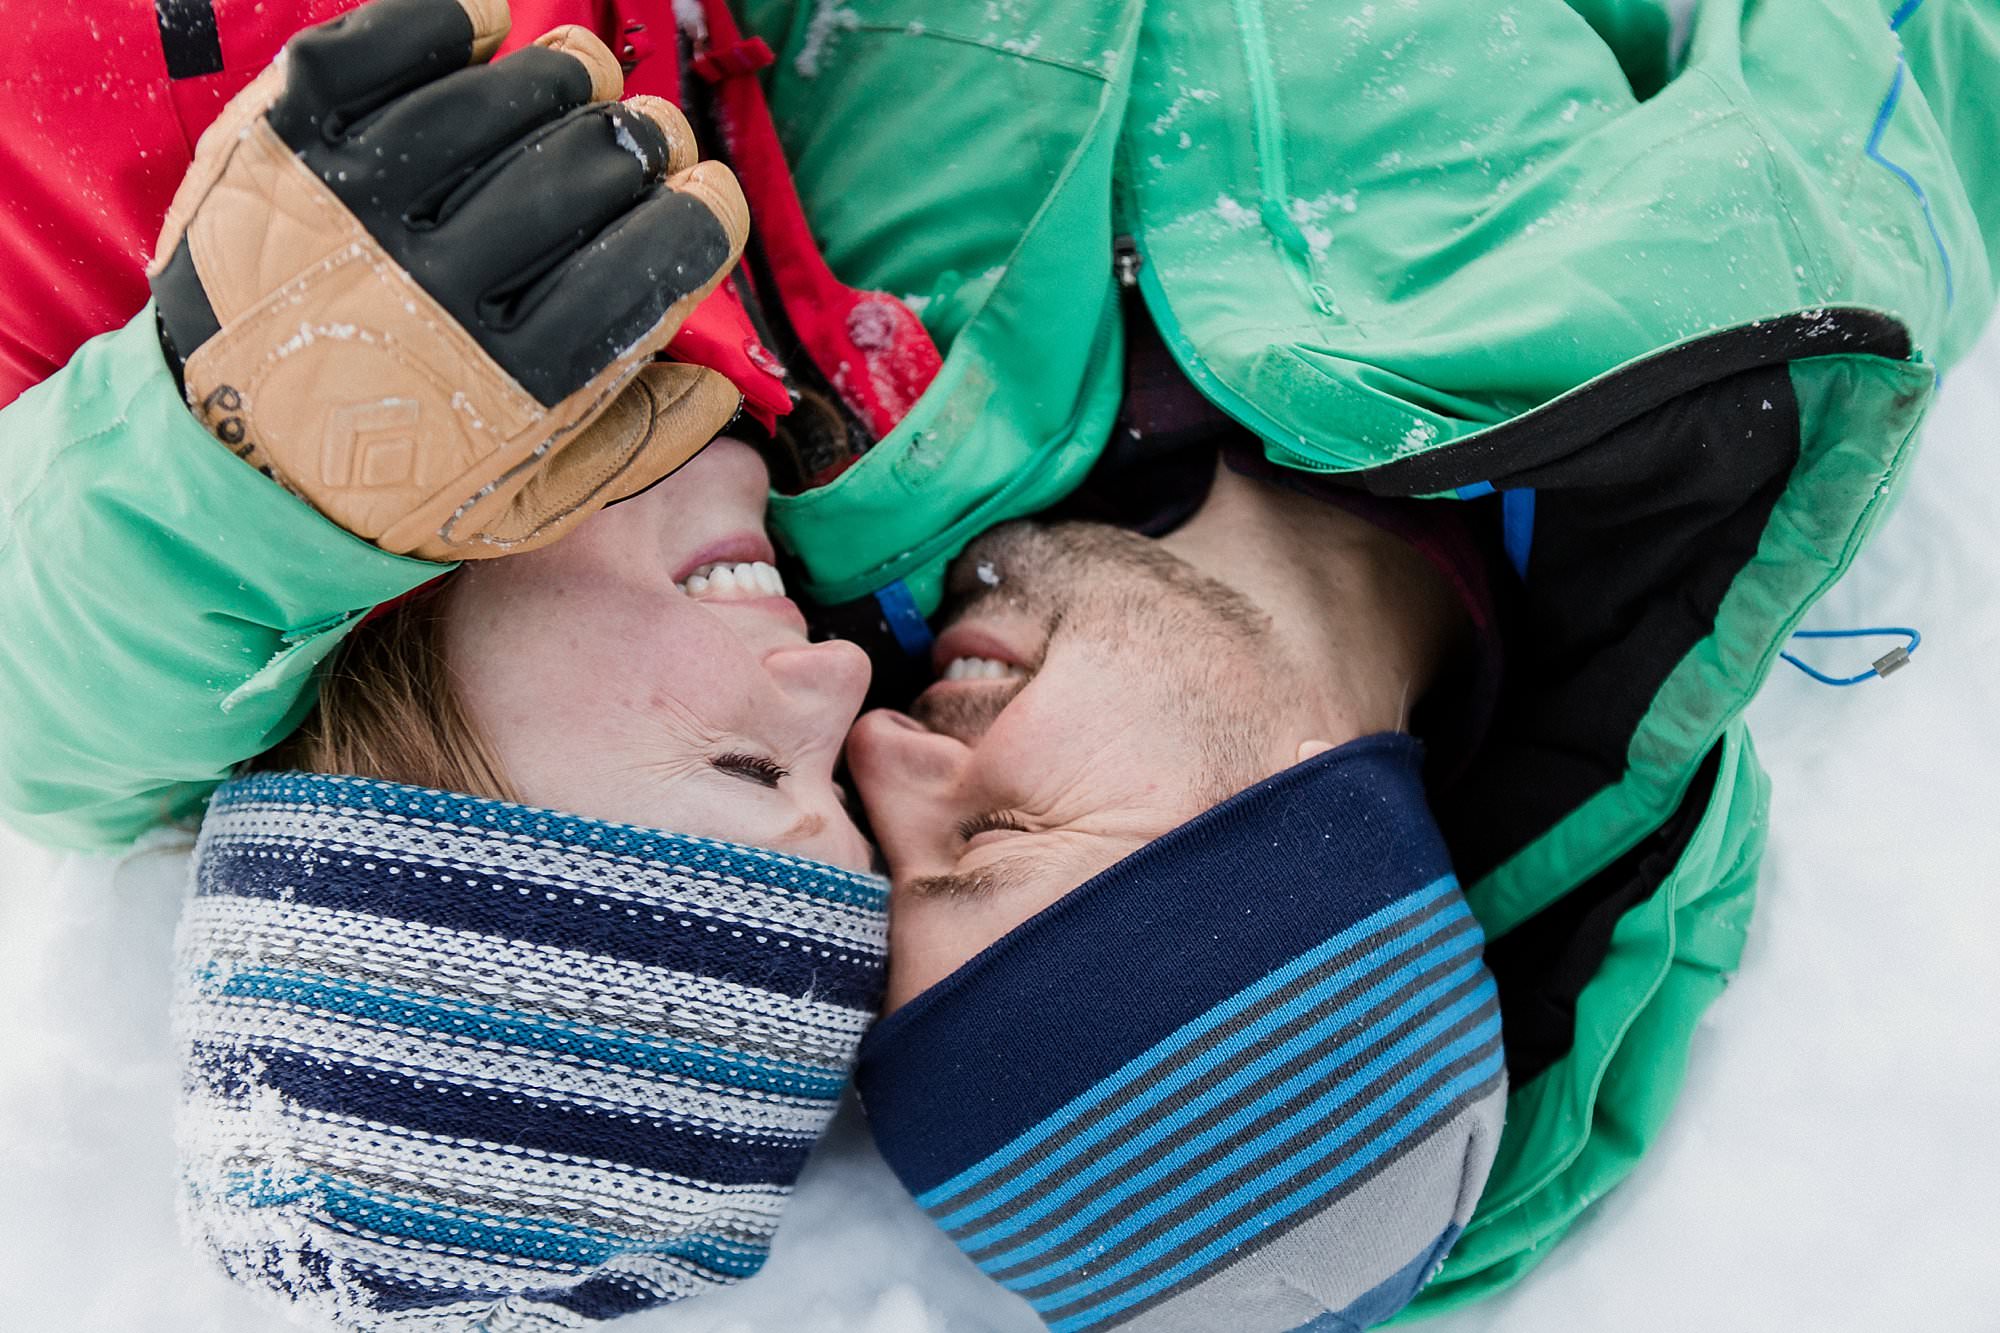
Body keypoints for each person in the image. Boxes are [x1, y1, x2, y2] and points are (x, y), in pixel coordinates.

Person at [4, 0, 1999, 1327]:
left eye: (894, 870)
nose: (886, 760)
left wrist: (235, 482)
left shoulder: (781, 517)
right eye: (1007, 834)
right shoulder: (1735, 354)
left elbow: (96, 703)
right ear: (1317, 817)